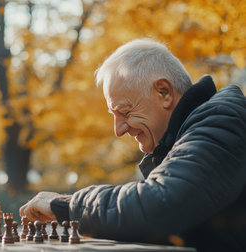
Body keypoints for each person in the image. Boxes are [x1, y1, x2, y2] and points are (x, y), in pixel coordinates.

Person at [20, 38, 246, 251]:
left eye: (125, 112)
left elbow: (159, 207)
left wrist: (67, 207)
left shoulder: (222, 120)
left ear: (164, 92)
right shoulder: (191, 134)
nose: (118, 130)